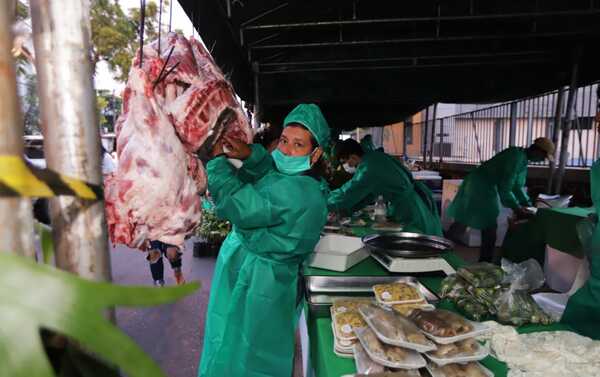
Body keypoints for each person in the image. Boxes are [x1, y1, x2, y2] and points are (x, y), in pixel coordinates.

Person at [198, 104, 330, 377]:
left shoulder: (298, 193)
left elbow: (238, 204)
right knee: (244, 343)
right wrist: (250, 155)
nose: (286, 150)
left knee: (246, 350)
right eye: (283, 141)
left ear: (315, 153)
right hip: (266, 275)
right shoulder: (300, 180)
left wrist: (216, 165)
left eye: (298, 145)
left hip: (260, 280)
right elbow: (270, 173)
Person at [445, 138, 555, 263]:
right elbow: (505, 189)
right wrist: (517, 208)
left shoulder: (522, 159)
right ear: (537, 150)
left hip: (482, 185)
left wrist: (527, 204)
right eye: (543, 156)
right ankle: (483, 262)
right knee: (487, 225)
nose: (542, 160)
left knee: (466, 220)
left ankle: (445, 251)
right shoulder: (515, 157)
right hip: (479, 186)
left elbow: (516, 186)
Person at [328, 139, 442, 236]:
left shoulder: (369, 167)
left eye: (345, 162)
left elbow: (348, 192)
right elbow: (368, 195)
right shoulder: (374, 157)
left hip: (409, 207)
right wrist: (348, 209)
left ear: (352, 156)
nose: (347, 166)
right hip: (408, 202)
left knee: (416, 238)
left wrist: (324, 203)